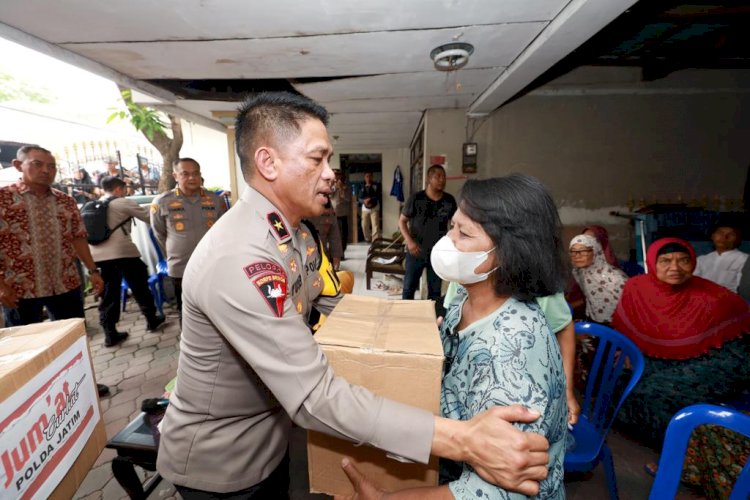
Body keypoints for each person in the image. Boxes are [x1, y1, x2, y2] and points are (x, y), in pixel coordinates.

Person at [156, 92, 551, 498]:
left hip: (269, 436)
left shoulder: (292, 234)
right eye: (317, 159)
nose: (330, 173)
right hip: (223, 460)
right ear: (268, 163)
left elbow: (333, 304)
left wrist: (407, 328)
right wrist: (462, 440)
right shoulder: (240, 257)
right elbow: (314, 396)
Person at [339, 175, 569, 499]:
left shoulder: (512, 349)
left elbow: (496, 493)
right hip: (447, 462)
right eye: (452, 227)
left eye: (463, 233)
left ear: (506, 253)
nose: (447, 240)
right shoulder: (465, 295)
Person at [611, 237, 750, 448]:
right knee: (619, 380)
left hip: (721, 359)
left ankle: (681, 455)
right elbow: (627, 324)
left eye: (683, 260)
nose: (674, 268)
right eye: (665, 261)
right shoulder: (636, 287)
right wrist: (627, 349)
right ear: (651, 263)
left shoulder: (714, 298)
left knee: (651, 393)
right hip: (670, 356)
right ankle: (654, 437)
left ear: (692, 263)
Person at [0, 145, 108, 396]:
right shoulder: (4, 199)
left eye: (51, 166)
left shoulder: (65, 201)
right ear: (19, 166)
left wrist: (93, 271)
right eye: (37, 164)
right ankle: (34, 396)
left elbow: (78, 238)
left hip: (65, 283)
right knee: (26, 348)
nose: (46, 171)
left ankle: (81, 386)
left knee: (72, 341)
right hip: (20, 288)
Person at [89, 176, 165, 347]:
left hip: (98, 257)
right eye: (124, 189)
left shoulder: (94, 205)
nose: (125, 192)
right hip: (122, 253)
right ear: (118, 189)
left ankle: (110, 333)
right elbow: (150, 217)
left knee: (109, 293)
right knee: (140, 286)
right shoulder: (122, 202)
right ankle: (152, 319)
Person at [150, 158, 227, 320]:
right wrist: (173, 254)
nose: (192, 178)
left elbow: (224, 231)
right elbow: (159, 234)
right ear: (175, 176)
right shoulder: (161, 202)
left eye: (195, 174)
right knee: (186, 312)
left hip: (212, 266)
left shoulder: (216, 200)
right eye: (185, 174)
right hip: (180, 268)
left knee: (216, 309)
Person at [399, 164, 457, 301]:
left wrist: (451, 243)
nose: (442, 180)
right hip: (416, 250)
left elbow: (455, 224)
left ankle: (432, 320)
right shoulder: (416, 199)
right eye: (438, 176)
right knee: (408, 288)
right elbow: (402, 221)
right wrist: (410, 242)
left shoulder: (449, 201)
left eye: (444, 177)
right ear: (428, 179)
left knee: (435, 292)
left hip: (438, 253)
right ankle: (405, 320)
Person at [569, 234, 628, 323]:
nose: (577, 256)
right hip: (594, 320)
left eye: (583, 251)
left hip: (619, 325)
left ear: (595, 252)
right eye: (573, 251)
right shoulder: (580, 272)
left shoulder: (615, 277)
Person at [694, 221, 747, 292]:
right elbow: (694, 284)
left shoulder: (745, 259)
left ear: (738, 239)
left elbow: (743, 290)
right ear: (712, 236)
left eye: (731, 234)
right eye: (720, 233)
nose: (724, 237)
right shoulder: (701, 259)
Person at [308, 200, 343, 270]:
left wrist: (335, 270)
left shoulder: (328, 207)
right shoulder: (300, 207)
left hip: (322, 258)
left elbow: (335, 240)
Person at [332, 170, 352, 254]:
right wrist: (335, 188)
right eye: (335, 175)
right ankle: (336, 253)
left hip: (343, 215)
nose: (337, 177)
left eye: (338, 175)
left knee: (344, 235)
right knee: (335, 235)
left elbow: (348, 199)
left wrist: (341, 189)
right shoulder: (331, 187)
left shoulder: (346, 188)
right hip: (333, 215)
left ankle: (342, 252)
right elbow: (329, 195)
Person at [358, 171, 380, 242]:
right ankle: (367, 239)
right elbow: (359, 198)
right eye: (367, 176)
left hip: (374, 207)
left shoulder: (376, 185)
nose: (368, 178)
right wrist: (364, 201)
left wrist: (371, 199)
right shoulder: (361, 185)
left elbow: (378, 196)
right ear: (364, 178)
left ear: (372, 177)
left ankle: (375, 240)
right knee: (364, 225)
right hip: (365, 208)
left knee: (375, 225)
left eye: (370, 176)